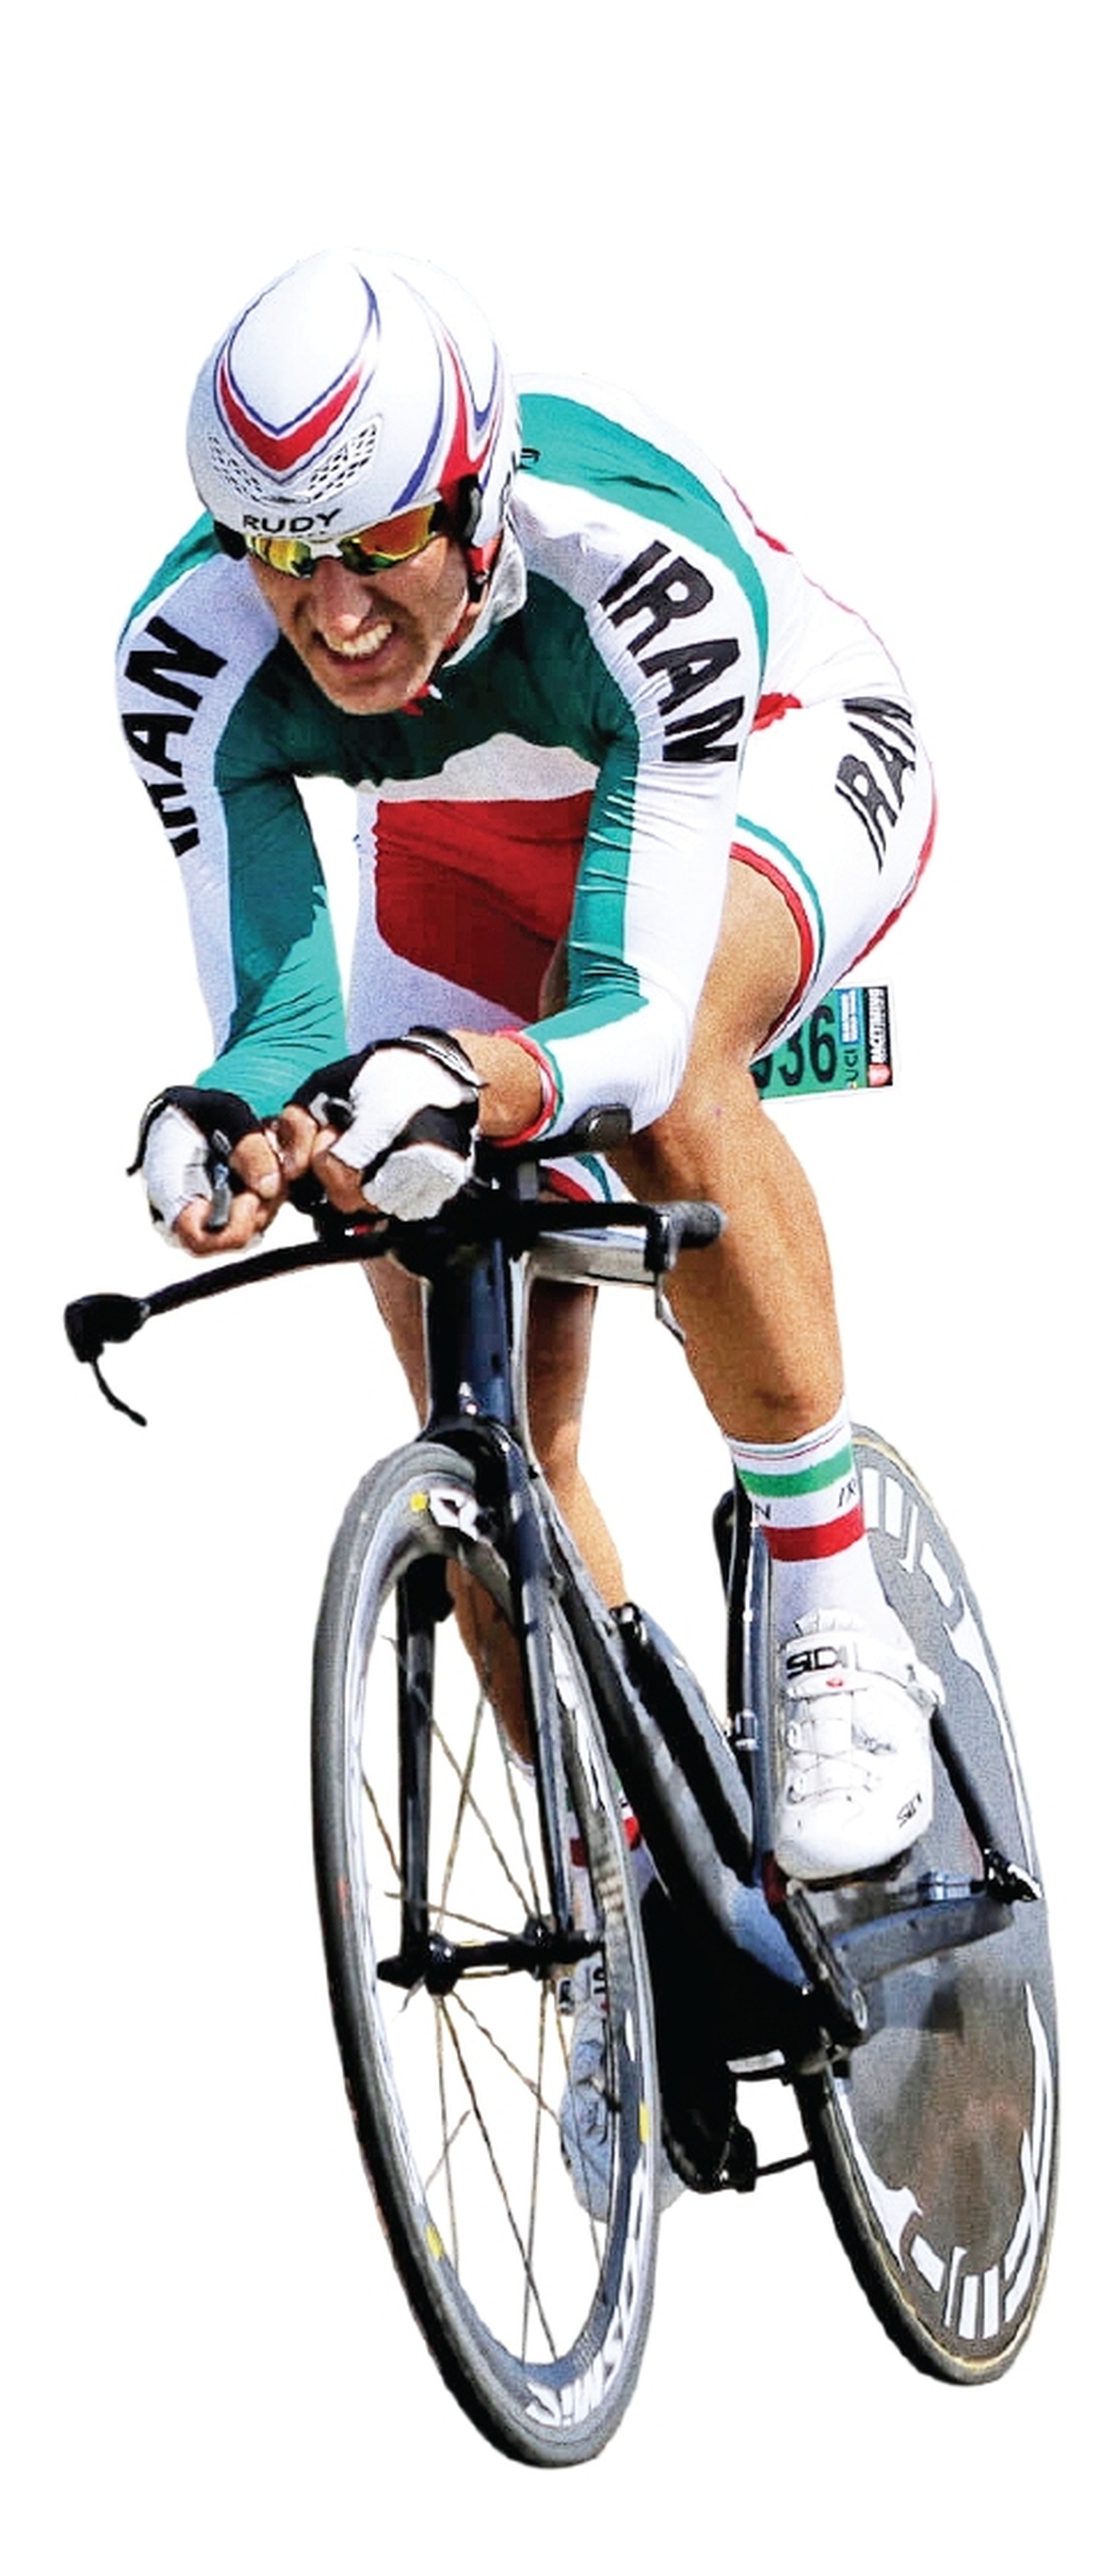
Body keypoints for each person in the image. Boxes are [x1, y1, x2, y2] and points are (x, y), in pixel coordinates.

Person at [118, 249, 940, 1907]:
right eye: (280, 555)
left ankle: (831, 1604)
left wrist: (469, 1071)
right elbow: (281, 1021)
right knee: (452, 1337)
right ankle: (621, 1903)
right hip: (464, 834)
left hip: (765, 746)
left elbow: (630, 1022)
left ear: (476, 495)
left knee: (668, 1088)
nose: (333, 612)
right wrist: (237, 1113)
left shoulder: (630, 575)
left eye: (376, 546)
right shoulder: (185, 657)